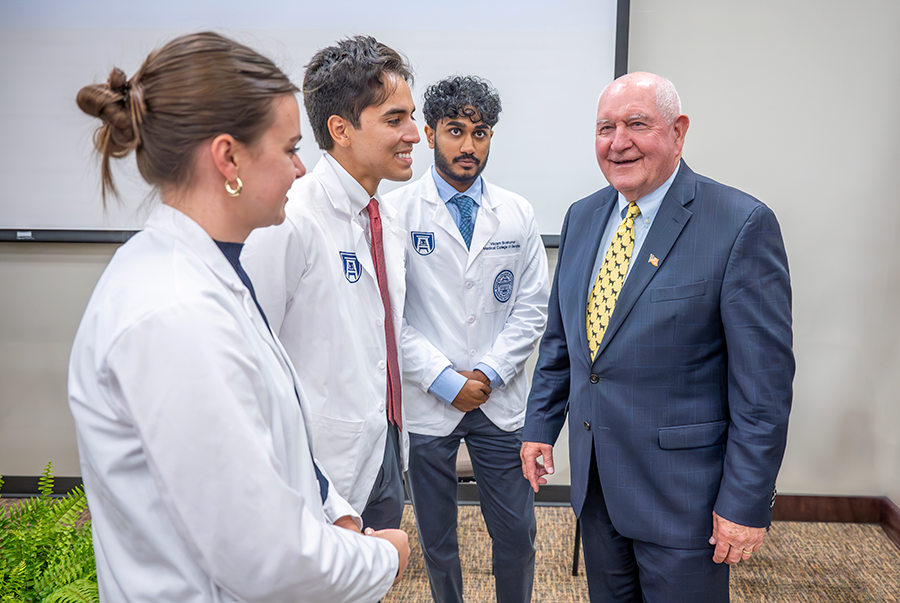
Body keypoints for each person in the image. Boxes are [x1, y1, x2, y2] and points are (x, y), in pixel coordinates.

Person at [69, 32, 409, 602]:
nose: (302, 170)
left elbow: (272, 432)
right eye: (289, 149)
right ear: (229, 158)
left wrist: (330, 506)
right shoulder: (175, 314)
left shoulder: (206, 273)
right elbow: (264, 556)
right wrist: (381, 559)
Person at [520, 72, 794, 602]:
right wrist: (540, 427)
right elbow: (564, 344)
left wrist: (744, 503)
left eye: (636, 124)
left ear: (678, 131)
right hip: (597, 489)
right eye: (605, 127)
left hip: (685, 503)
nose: (618, 142)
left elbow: (763, 391)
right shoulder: (583, 216)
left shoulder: (740, 224)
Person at [242, 36, 419, 531]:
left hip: (383, 446)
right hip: (317, 467)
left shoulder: (384, 219)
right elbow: (251, 364)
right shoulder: (290, 220)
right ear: (340, 128)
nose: (414, 134)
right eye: (394, 119)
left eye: (411, 116)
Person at [385, 75, 550, 603]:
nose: (468, 146)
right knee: (437, 540)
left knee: (517, 538)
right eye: (455, 131)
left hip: (496, 400)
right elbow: (390, 312)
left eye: (480, 133)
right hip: (430, 398)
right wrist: (443, 378)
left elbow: (531, 307)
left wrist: (486, 374)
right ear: (430, 133)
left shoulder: (517, 212)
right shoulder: (395, 214)